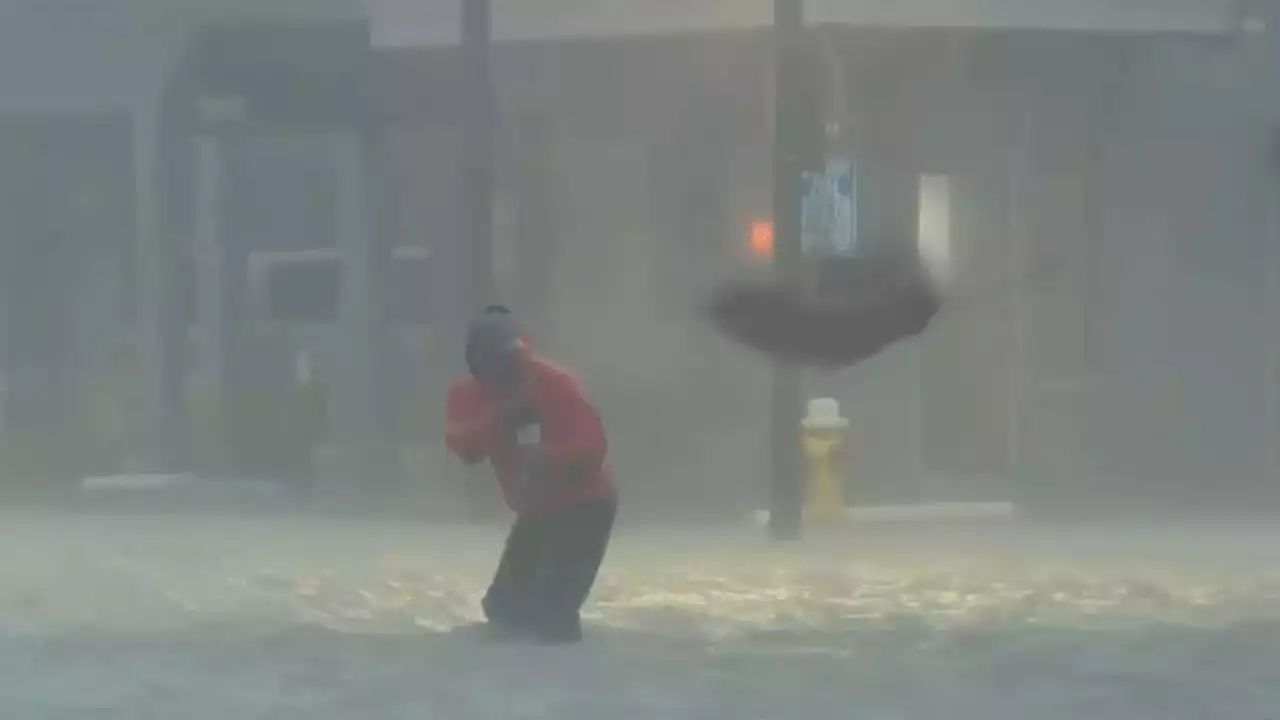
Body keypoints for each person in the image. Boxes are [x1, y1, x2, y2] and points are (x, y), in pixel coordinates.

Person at [444, 308, 616, 644]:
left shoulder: (557, 384)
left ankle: (571, 682)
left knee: (555, 611)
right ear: (480, 367)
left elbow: (593, 446)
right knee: (503, 606)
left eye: (514, 363)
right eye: (500, 366)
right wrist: (503, 418)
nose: (510, 374)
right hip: (538, 510)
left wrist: (553, 460)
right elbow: (464, 446)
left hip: (586, 505)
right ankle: (514, 686)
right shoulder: (467, 396)